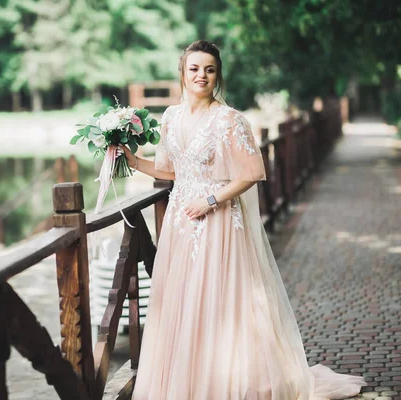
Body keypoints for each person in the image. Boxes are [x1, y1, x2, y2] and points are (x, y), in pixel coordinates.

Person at [119, 40, 366, 400]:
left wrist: (209, 200)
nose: (201, 76)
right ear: (182, 73)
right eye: (194, 69)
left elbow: (253, 171)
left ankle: (226, 384)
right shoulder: (170, 117)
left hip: (217, 221)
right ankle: (186, 383)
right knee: (183, 301)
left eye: (209, 69)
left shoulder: (229, 119)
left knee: (221, 300)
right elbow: (167, 169)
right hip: (179, 224)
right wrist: (130, 158)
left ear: (217, 75)